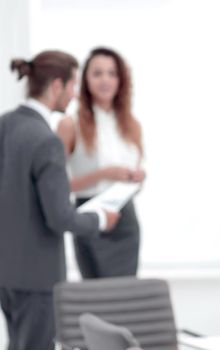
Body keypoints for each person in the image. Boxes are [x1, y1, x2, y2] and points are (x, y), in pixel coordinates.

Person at [0, 50, 119, 350]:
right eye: (72, 85)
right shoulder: (46, 140)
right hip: (37, 275)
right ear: (56, 85)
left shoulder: (5, 125)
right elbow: (60, 217)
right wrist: (100, 219)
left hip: (6, 270)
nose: (74, 95)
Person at [57, 47, 145, 279]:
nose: (105, 80)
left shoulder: (132, 125)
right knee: (96, 294)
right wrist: (103, 174)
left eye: (112, 73)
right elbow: (55, 184)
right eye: (97, 73)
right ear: (85, 80)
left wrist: (137, 179)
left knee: (125, 294)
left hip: (125, 217)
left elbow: (134, 181)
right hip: (89, 215)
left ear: (121, 80)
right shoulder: (70, 125)